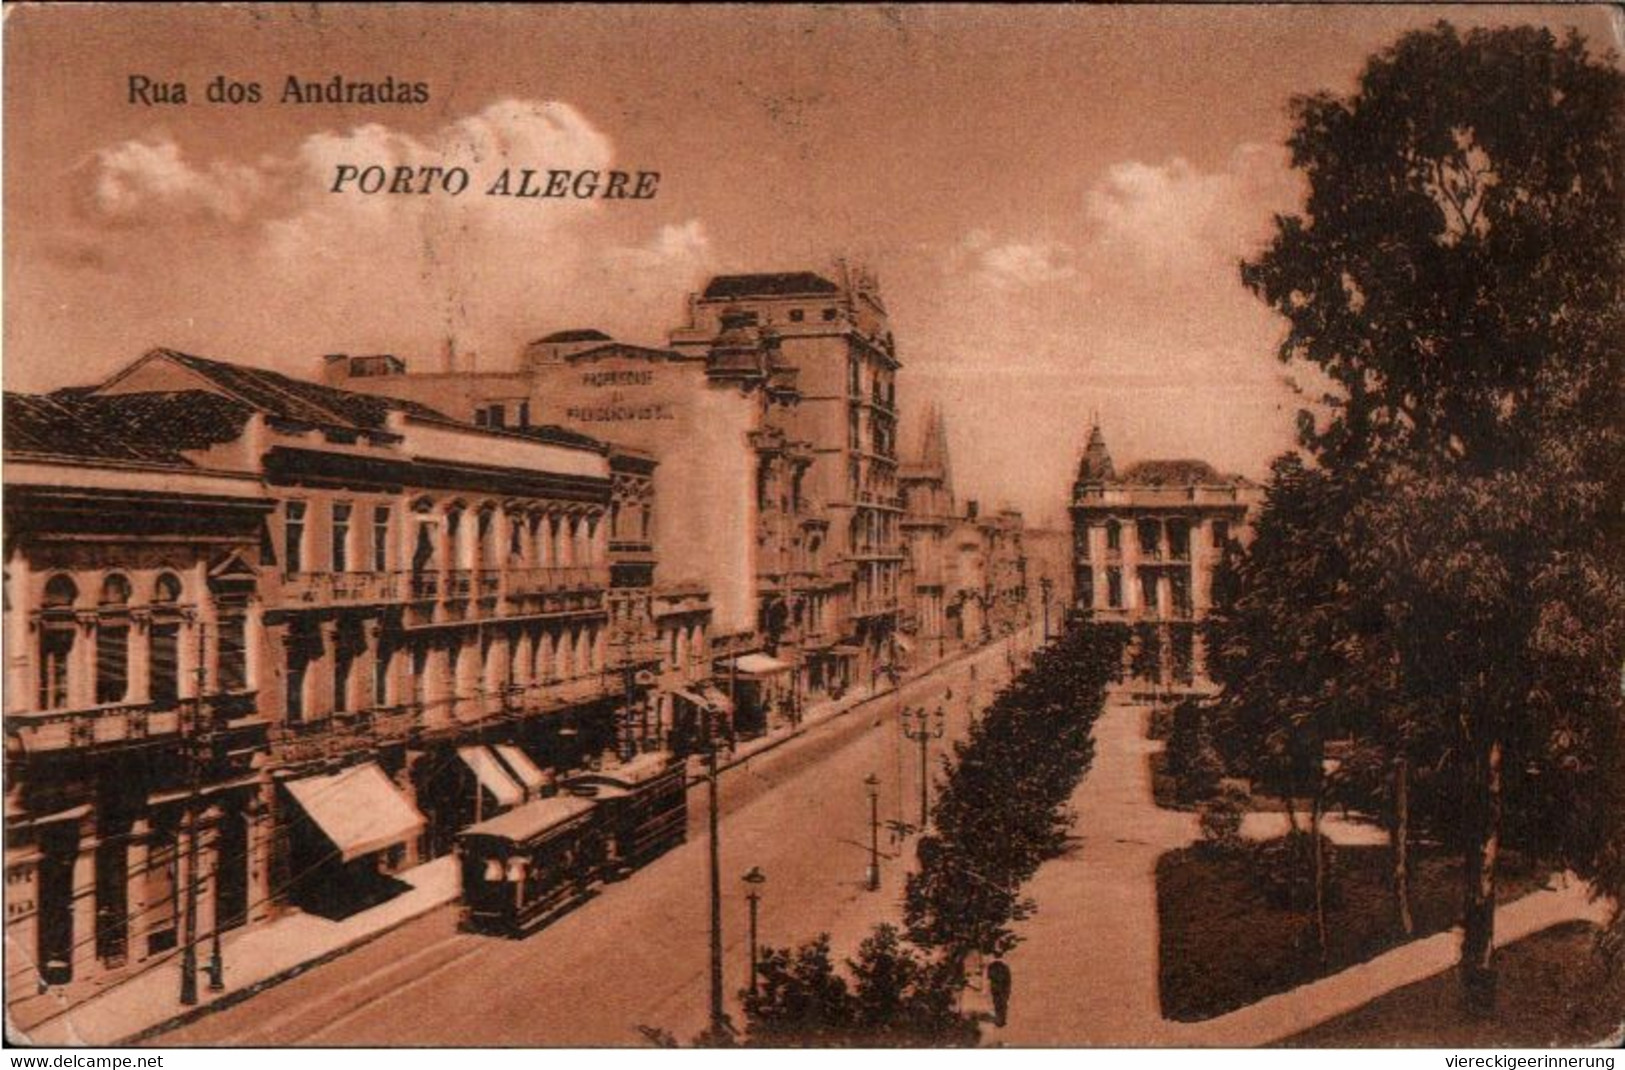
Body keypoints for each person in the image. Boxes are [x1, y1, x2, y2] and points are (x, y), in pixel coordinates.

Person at [987, 957, 1012, 1027]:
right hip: (1000, 987)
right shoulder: (1001, 967)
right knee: (1000, 1002)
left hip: (1000, 987)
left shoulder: (1000, 968)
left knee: (999, 1002)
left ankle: (999, 1016)